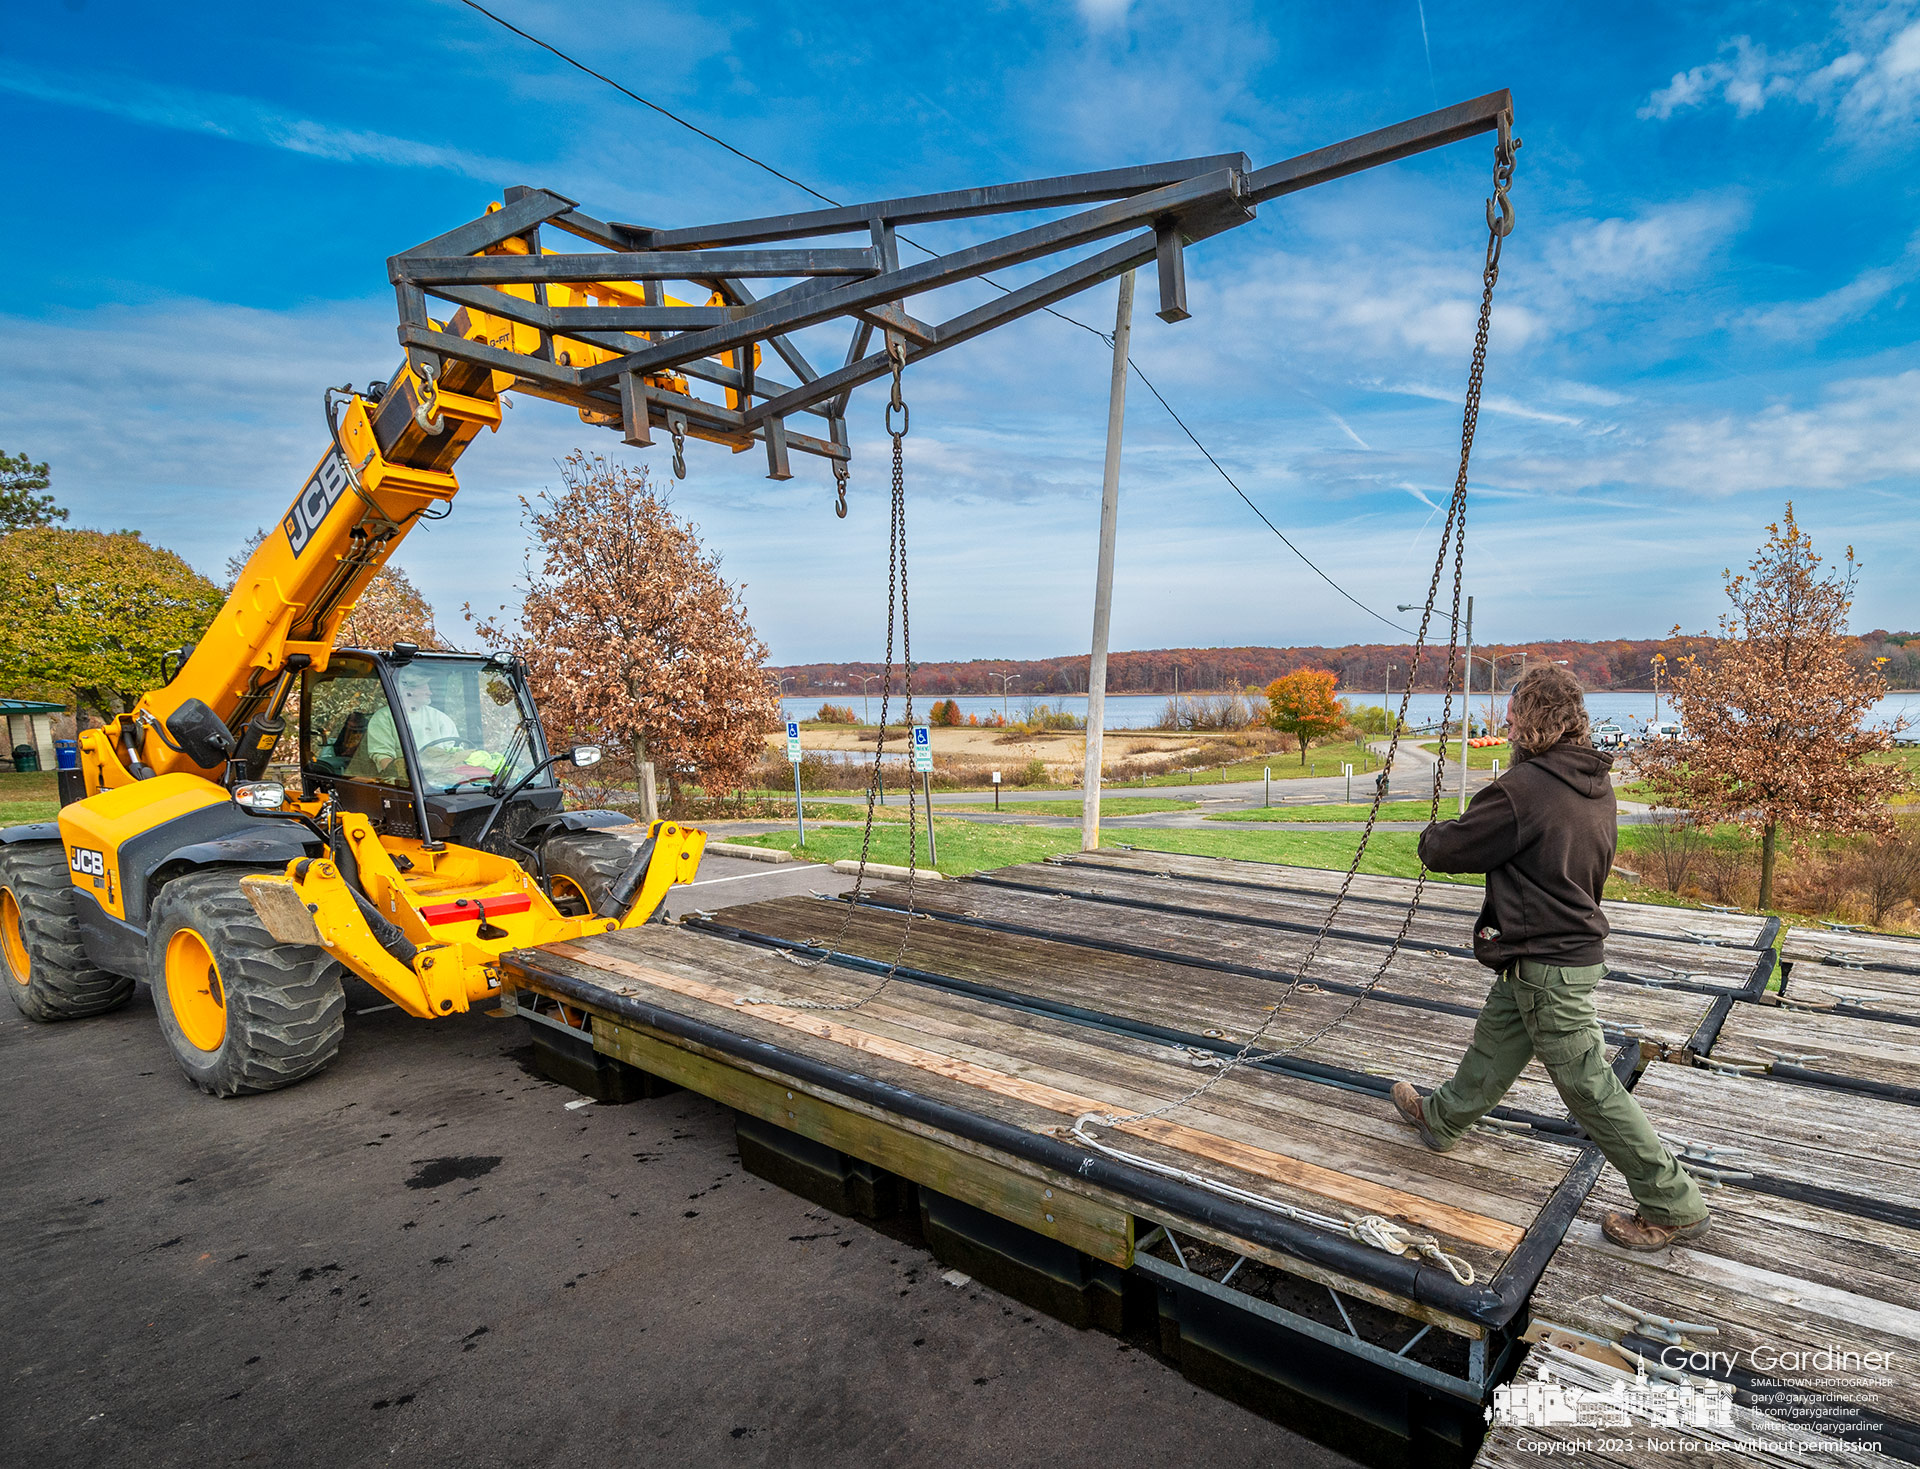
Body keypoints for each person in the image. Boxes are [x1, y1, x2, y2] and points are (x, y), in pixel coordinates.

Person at [1388, 665, 1710, 1252]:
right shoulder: (1594, 781)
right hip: (1557, 951)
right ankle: (1441, 1119)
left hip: (1547, 961)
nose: (1504, 722)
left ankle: (1672, 1201)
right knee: (1497, 1038)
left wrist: (1430, 835)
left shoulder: (1524, 790)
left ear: (1529, 721)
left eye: (1511, 713)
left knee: (1590, 1086)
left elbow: (1448, 849)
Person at [365, 671, 459, 780]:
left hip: (440, 781)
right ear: (408, 691)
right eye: (424, 688)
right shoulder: (384, 717)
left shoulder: (439, 718)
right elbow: (383, 757)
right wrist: (404, 780)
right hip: (406, 783)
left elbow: (454, 752)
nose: (430, 693)